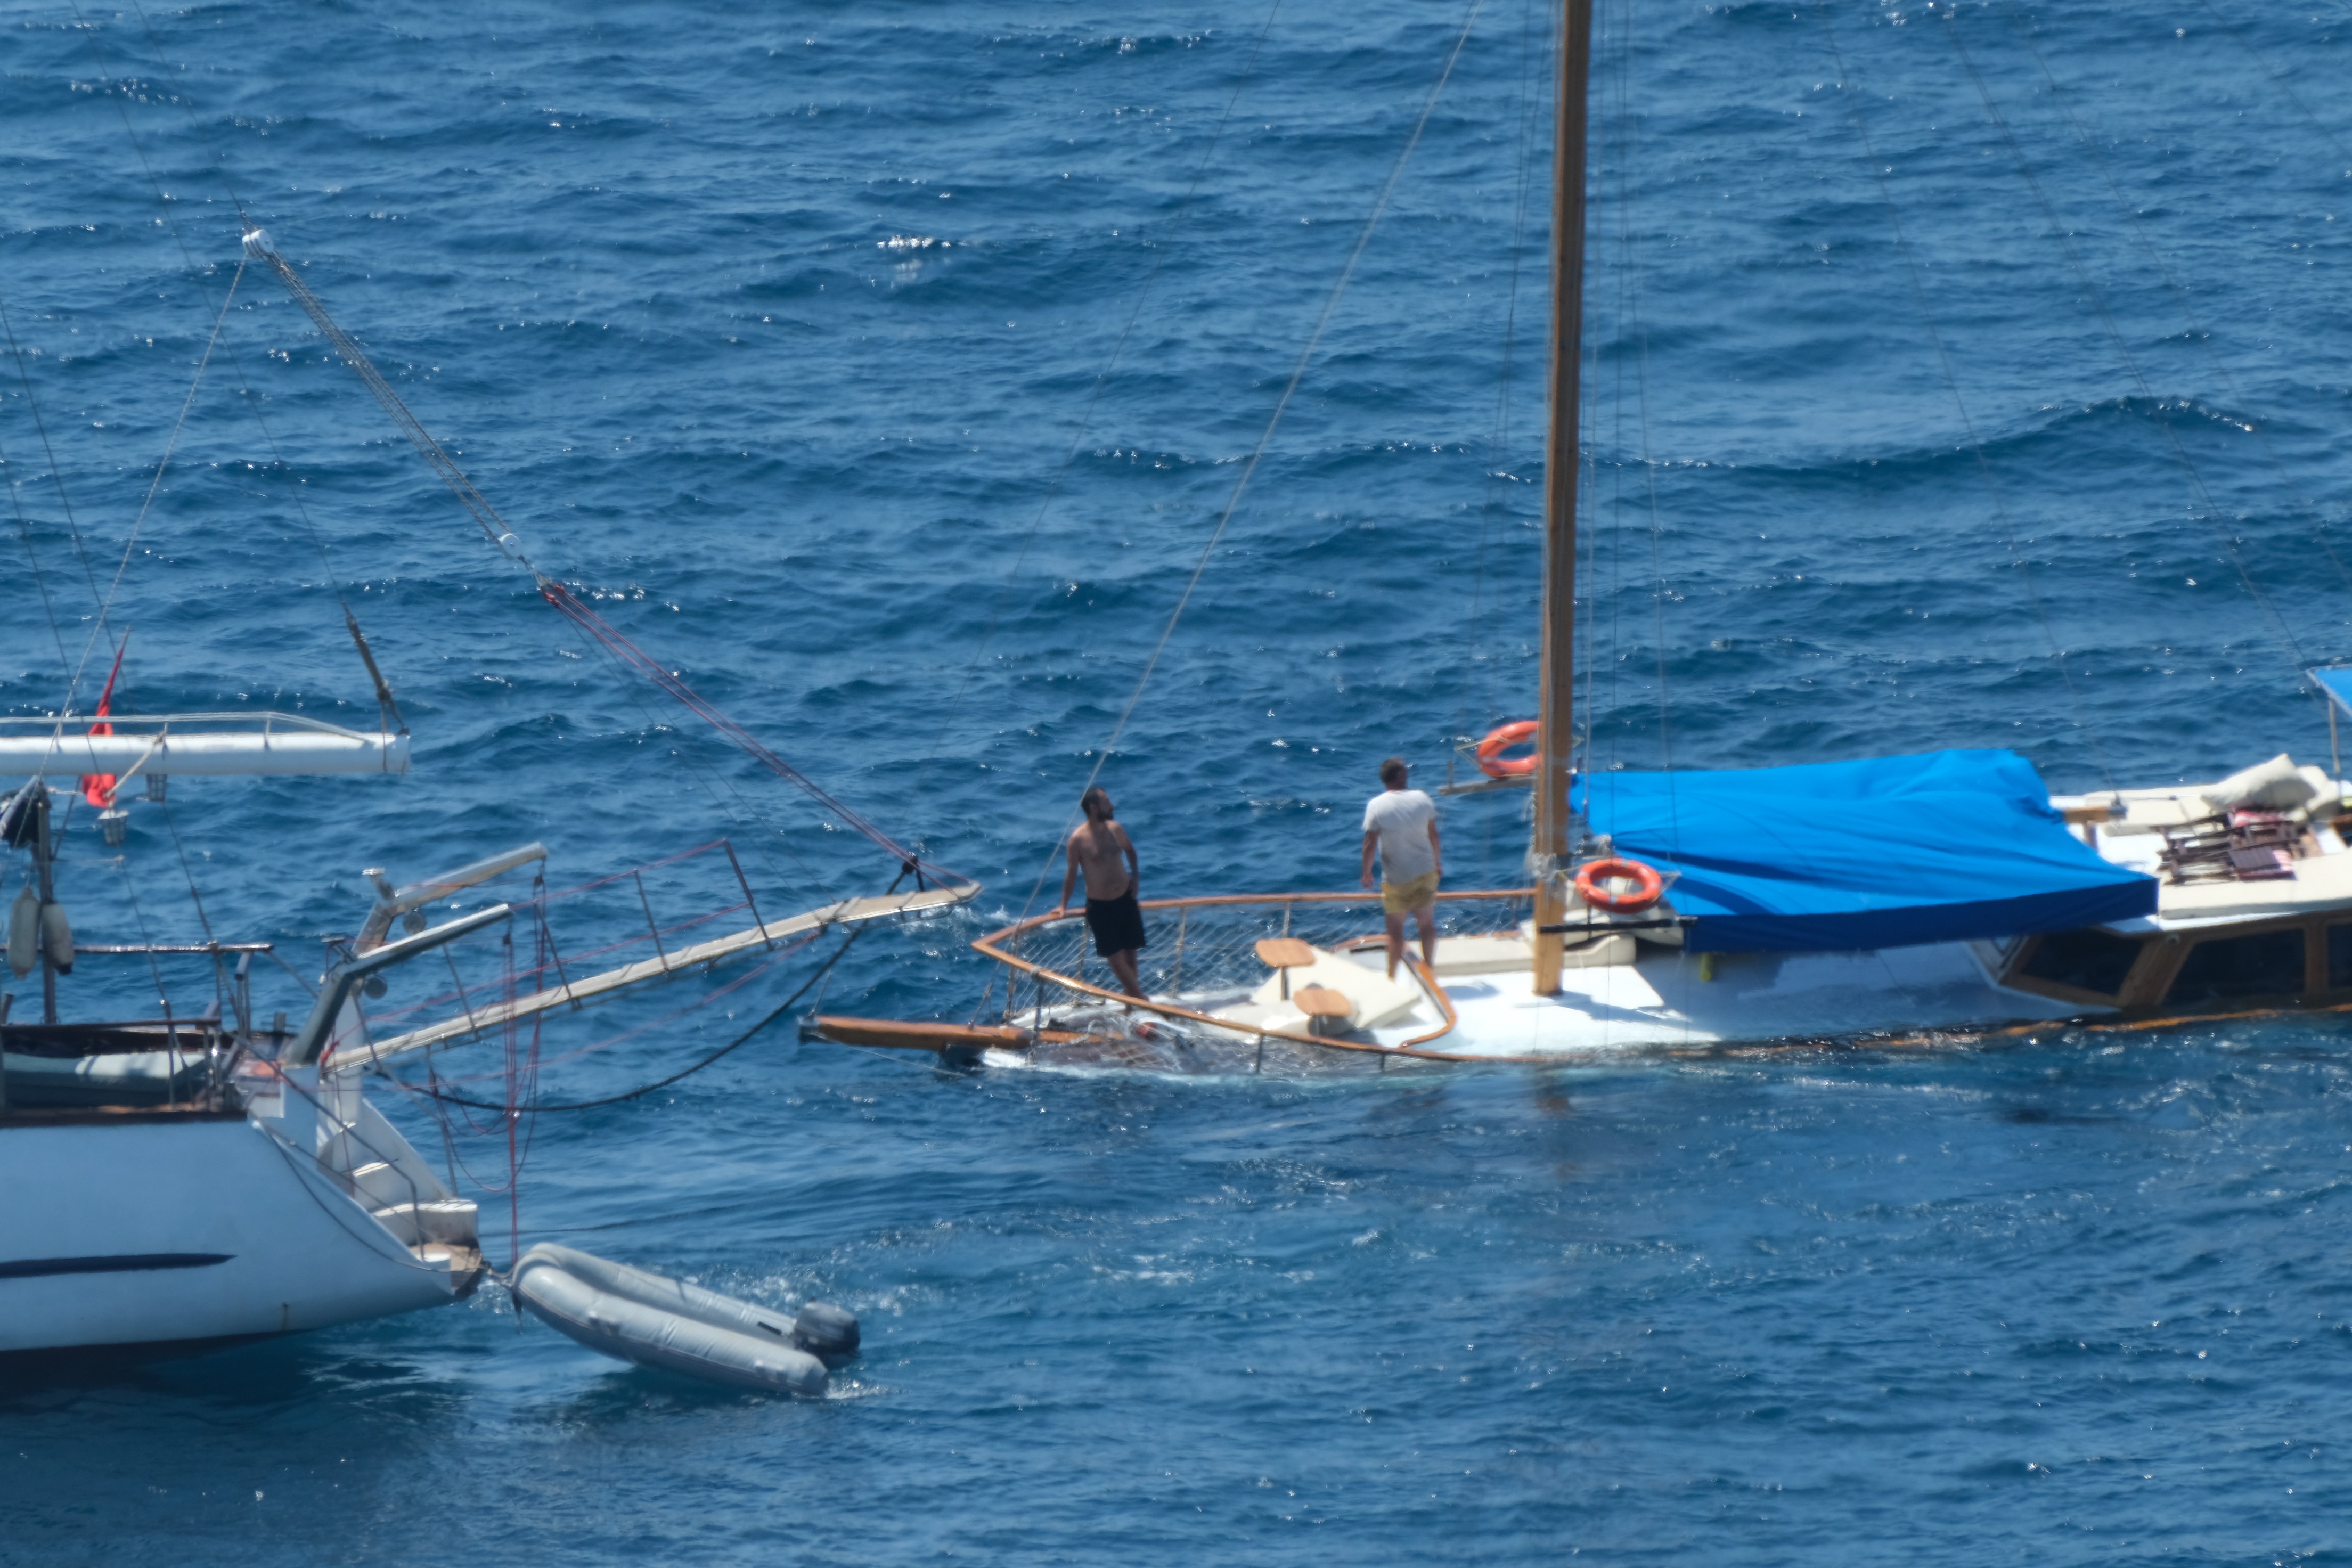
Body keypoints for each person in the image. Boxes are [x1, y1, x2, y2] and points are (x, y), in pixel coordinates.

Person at [1054, 786, 1148, 1000]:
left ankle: (1132, 1007)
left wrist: (1135, 877)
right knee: (1116, 959)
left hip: (1126, 900)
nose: (1112, 805)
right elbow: (1071, 875)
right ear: (1094, 808)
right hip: (1101, 907)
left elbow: (1131, 851)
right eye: (1107, 802)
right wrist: (1063, 906)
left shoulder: (1115, 829)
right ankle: (1144, 1002)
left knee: (1131, 957)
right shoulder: (1078, 840)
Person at [1360, 757, 1441, 979]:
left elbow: (1370, 844)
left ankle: (1392, 977)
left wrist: (1367, 873)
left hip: (1397, 878)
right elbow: (1434, 835)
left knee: (1395, 930)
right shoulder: (1423, 799)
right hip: (1426, 871)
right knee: (1426, 923)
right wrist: (1437, 863)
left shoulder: (1376, 806)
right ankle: (1430, 970)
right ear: (1400, 776)